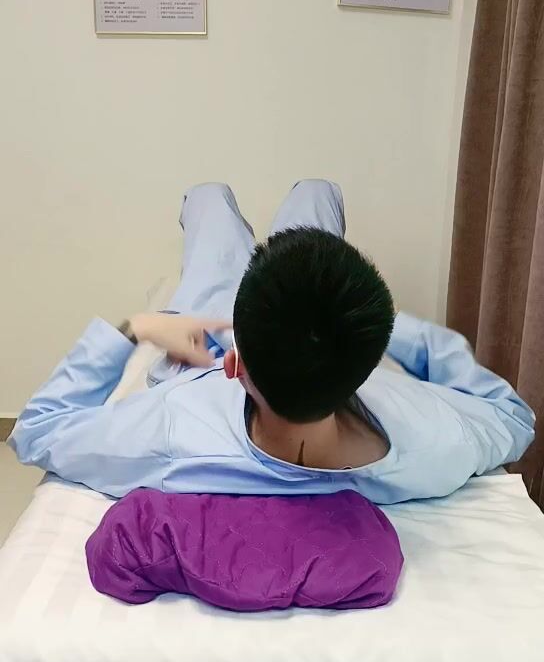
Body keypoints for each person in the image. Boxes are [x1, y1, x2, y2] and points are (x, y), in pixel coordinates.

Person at [9, 182, 535, 504]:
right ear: (371, 361)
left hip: (203, 341)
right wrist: (377, 321)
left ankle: (228, 216)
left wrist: (138, 328)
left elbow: (37, 429)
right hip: (289, 333)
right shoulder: (432, 442)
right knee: (318, 191)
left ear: (234, 364)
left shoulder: (169, 436)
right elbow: (513, 418)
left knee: (209, 197)